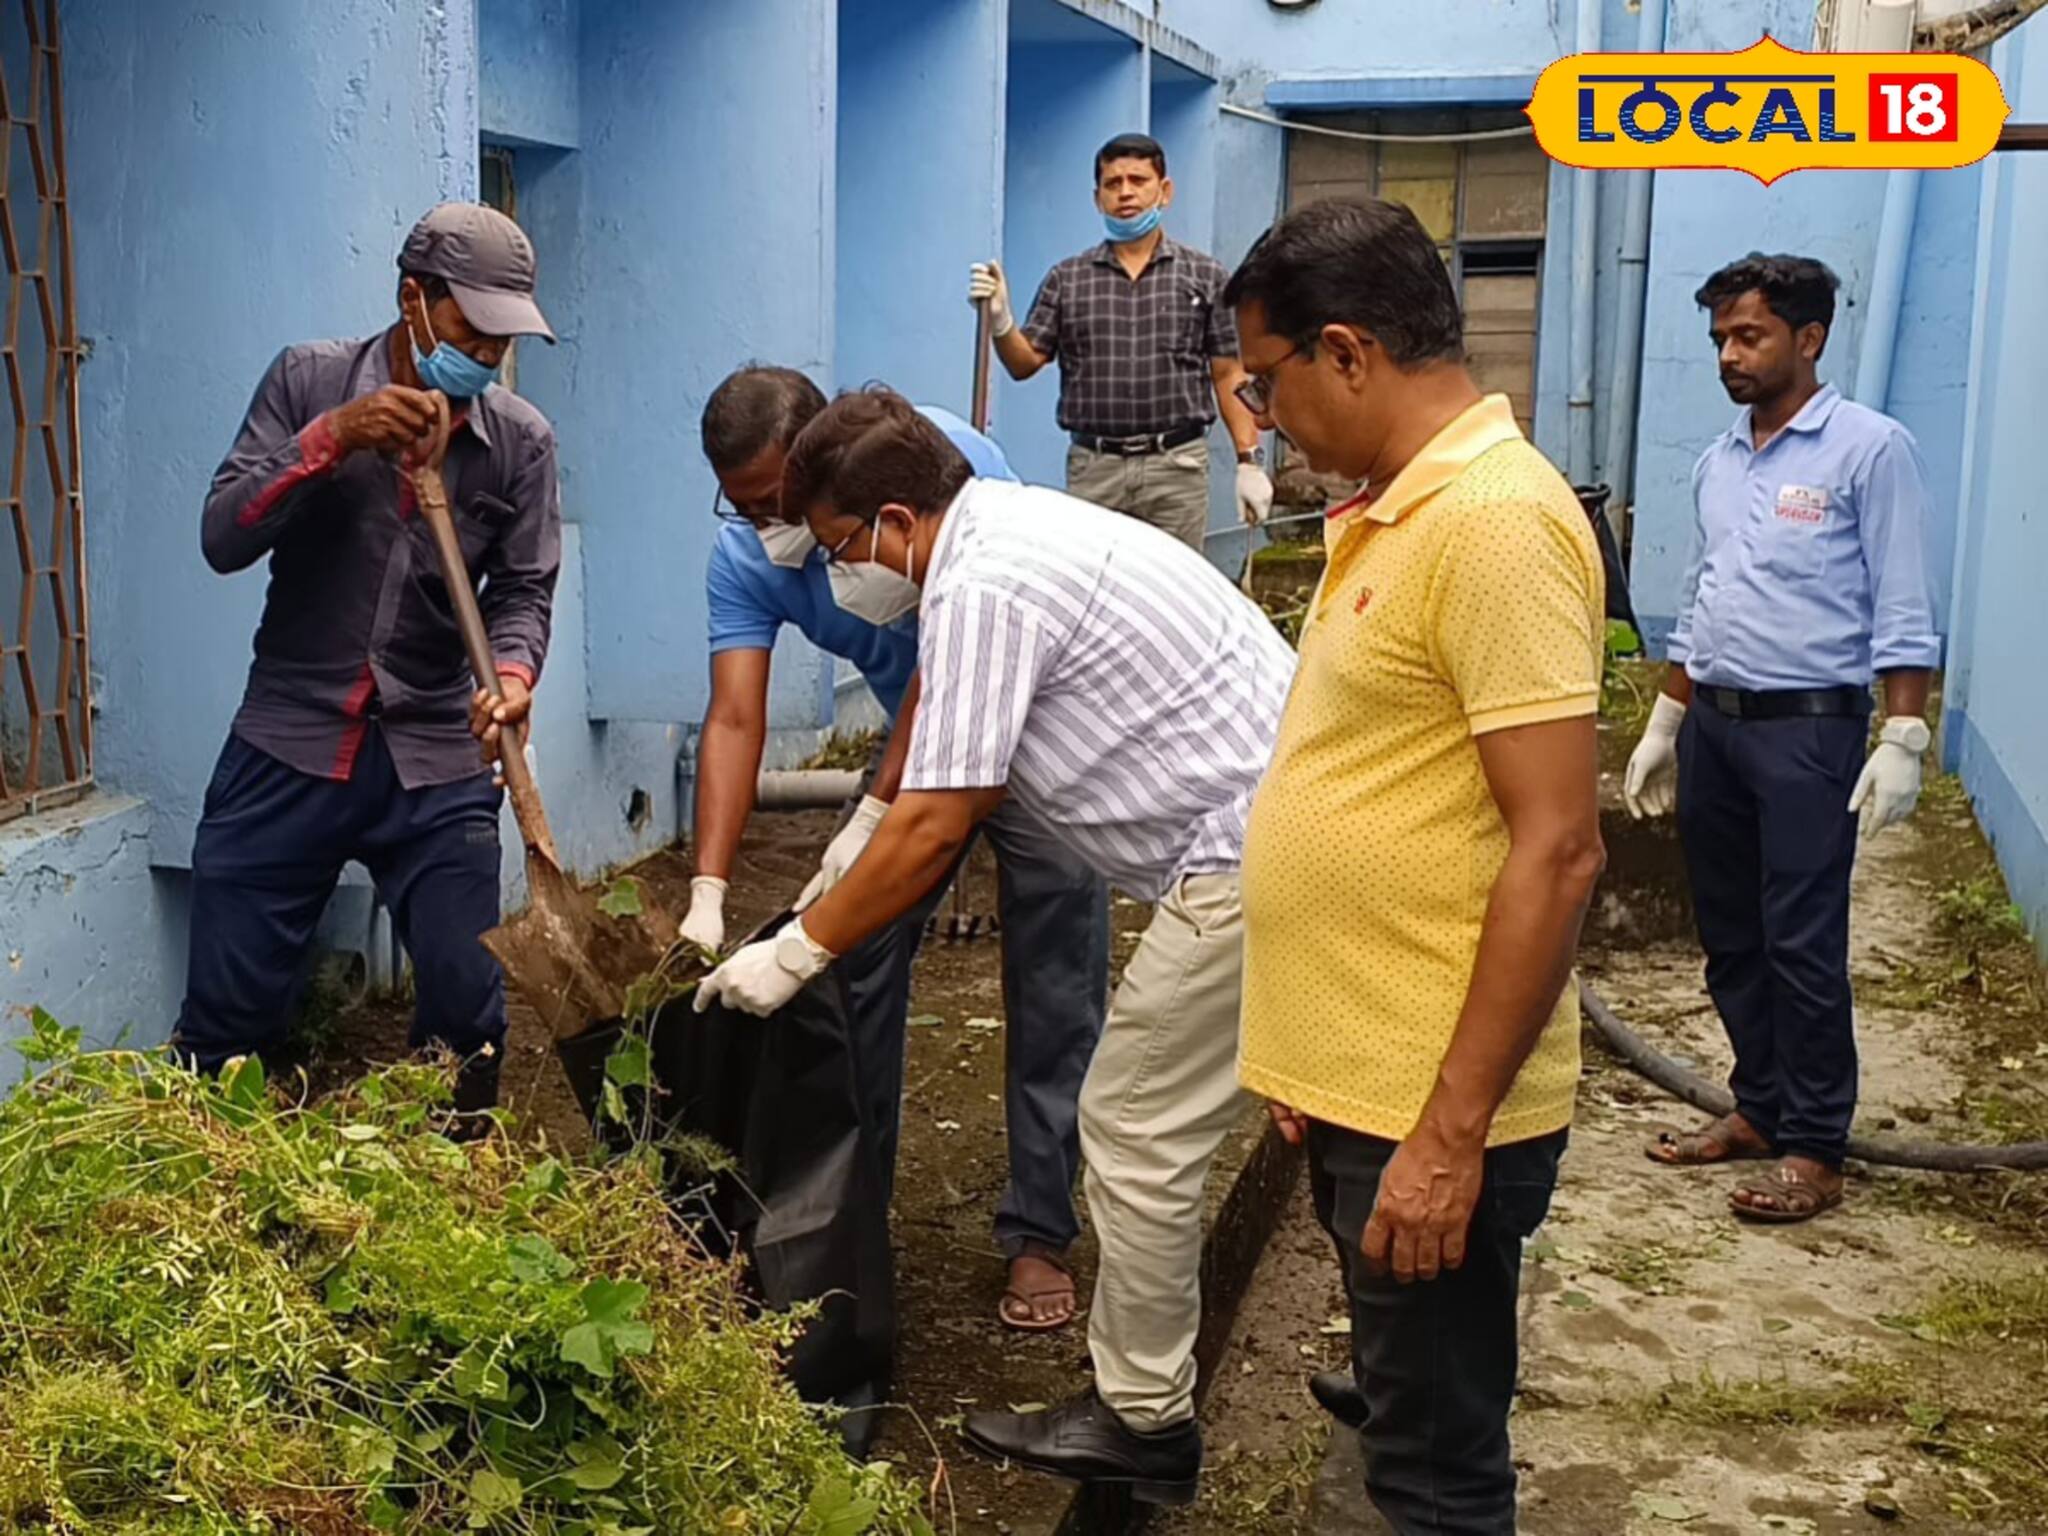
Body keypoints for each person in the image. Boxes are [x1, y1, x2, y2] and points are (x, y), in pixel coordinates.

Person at [694, 388, 1296, 1507]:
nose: (833, 575)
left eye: (836, 547)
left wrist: (793, 952)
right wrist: (861, 826)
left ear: (892, 521)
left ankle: (1142, 1421)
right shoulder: (1003, 533)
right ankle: (1386, 1371)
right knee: (1290, 1100)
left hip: (1246, 860)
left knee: (1133, 1121)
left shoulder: (982, 577)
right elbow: (920, 772)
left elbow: (942, 817)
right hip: (1266, 831)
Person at [1230, 198, 1607, 1534]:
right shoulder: (1400, 512)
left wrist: (1446, 1136)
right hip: (1368, 1081)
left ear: (1344, 352)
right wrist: (1312, 1065)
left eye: (1263, 379)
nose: (1260, 416)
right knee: (1411, 1424)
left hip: (1433, 1110)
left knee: (1437, 1480)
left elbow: (1558, 849)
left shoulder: (1495, 522)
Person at [680, 366, 1109, 1331]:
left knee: (1054, 973)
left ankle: (1039, 1230)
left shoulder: (938, 459)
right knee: (851, 960)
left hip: (1037, 724)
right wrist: (708, 888)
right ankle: (850, 1221)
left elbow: (953, 648)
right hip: (919, 739)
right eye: (740, 505)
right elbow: (736, 717)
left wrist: (875, 815)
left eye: (776, 500)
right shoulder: (746, 554)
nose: (764, 524)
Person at [173, 203, 561, 1113]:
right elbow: (223, 537)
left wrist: (510, 676)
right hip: (288, 738)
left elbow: (524, 594)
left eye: (507, 340)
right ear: (413, 300)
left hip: (436, 753)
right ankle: (217, 1186)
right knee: (226, 1019)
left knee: (470, 1015)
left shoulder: (521, 445)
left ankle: (450, 1194)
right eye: (475, 330)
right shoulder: (307, 381)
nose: (491, 357)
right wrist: (332, 439)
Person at [1625, 253, 1940, 1223]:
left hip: (1809, 732)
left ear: (1806, 338)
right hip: (1717, 726)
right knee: (1728, 933)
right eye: (1719, 335)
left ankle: (1813, 1143)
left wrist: (1901, 733)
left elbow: (1902, 598)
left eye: (1748, 334)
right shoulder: (1719, 462)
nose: (1729, 353)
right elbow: (1701, 595)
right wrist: (1666, 718)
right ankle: (1756, 1105)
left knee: (1800, 940)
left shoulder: (1866, 450)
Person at [967, 132, 1272, 552]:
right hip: (1096, 470)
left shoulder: (1205, 276)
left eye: (1138, 180)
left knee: (1174, 591)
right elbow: (1024, 363)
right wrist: (1001, 321)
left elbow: (1227, 374)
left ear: (1164, 191)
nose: (1125, 192)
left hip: (1176, 467)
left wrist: (1248, 461)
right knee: (1092, 590)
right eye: (1113, 184)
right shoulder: (1068, 279)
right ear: (1098, 199)